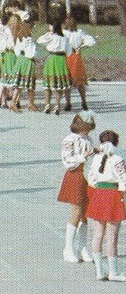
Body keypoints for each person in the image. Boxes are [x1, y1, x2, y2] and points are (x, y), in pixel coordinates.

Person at [84, 131, 126, 281]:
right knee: (112, 236)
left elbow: (91, 179)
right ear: (117, 143)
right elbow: (124, 180)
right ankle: (113, 272)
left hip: (99, 194)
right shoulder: (118, 159)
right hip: (113, 195)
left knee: (98, 234)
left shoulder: (96, 158)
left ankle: (99, 271)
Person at [59, 111, 97, 263]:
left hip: (87, 176)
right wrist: (84, 156)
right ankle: (68, 248)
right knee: (76, 211)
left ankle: (82, 247)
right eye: (87, 127)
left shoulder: (88, 138)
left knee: (86, 213)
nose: (89, 130)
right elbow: (67, 161)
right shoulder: (69, 140)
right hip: (75, 175)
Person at [65, 17, 96, 111]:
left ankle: (81, 101)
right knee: (69, 81)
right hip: (68, 56)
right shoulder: (66, 32)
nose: (70, 25)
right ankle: (70, 102)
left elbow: (91, 41)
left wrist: (82, 46)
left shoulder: (79, 32)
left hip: (74, 57)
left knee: (76, 81)